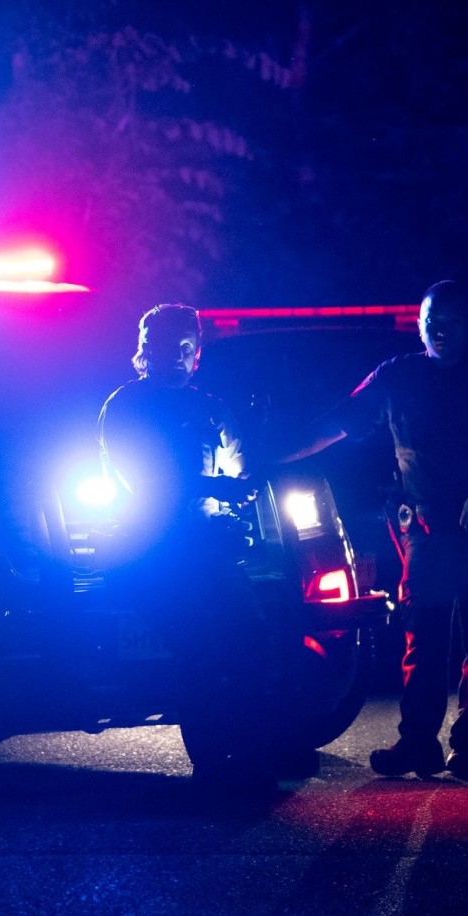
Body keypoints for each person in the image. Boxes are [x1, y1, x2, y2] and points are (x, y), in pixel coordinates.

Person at [268, 280, 468, 785]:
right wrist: (267, 458)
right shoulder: (399, 376)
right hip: (426, 529)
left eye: (450, 322)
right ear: (419, 324)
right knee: (423, 634)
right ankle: (418, 743)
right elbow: (337, 425)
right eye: (430, 321)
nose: (439, 331)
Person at [97, 303, 299, 790]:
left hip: (208, 550)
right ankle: (212, 764)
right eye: (166, 346)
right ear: (145, 350)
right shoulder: (125, 406)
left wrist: (248, 473)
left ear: (198, 352)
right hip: (157, 553)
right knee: (201, 655)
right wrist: (217, 489)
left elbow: (242, 467)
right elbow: (149, 483)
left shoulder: (211, 407)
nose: (176, 357)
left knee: (247, 646)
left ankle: (246, 758)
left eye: (186, 347)